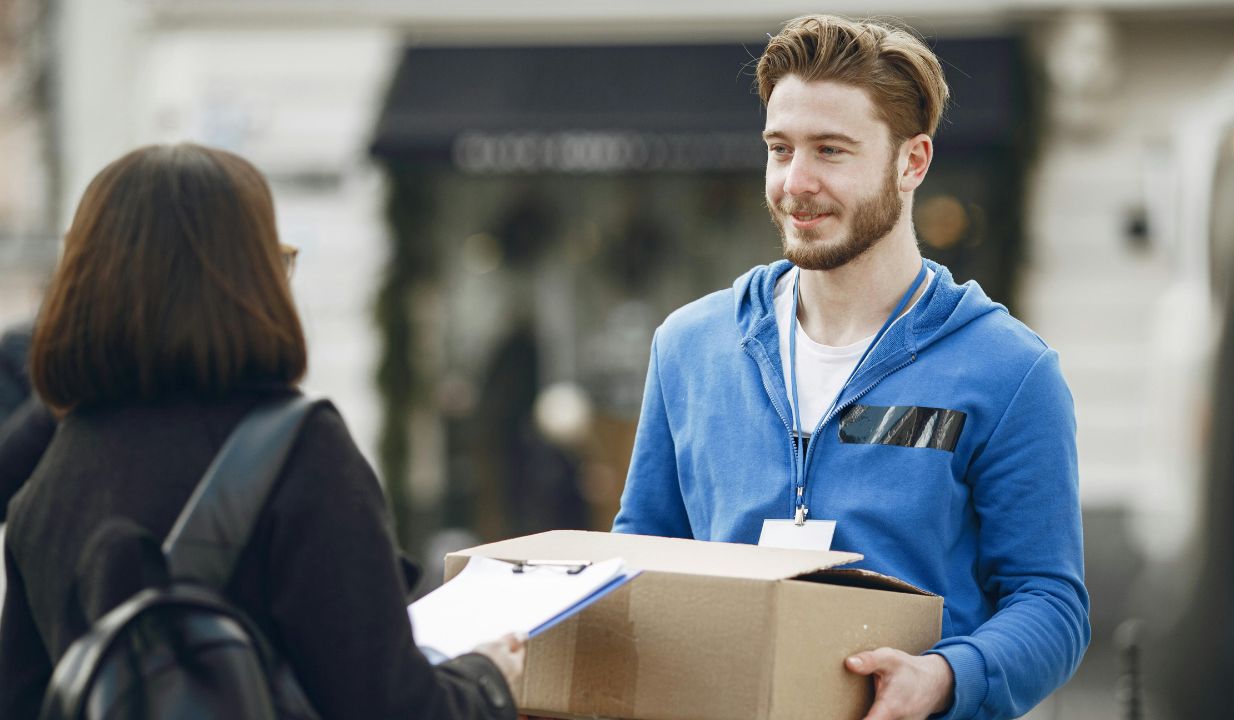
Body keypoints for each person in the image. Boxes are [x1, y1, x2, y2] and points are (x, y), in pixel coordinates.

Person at [613, 16, 1088, 720]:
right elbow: (645, 552)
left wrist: (944, 678)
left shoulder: (1009, 371)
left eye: (831, 151)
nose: (795, 184)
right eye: (780, 150)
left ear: (912, 162)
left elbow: (1051, 603)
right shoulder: (689, 346)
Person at [0, 143, 524, 719]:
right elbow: (394, 707)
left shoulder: (48, 485)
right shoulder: (298, 452)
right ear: (246, 280)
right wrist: (489, 679)